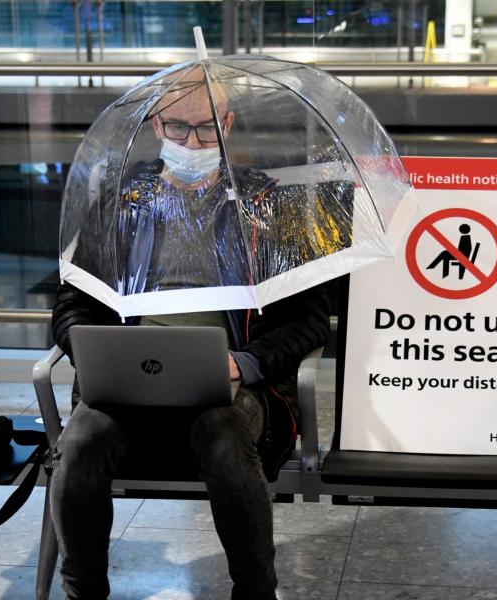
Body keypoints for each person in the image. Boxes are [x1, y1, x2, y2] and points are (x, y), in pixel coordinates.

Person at [50, 75, 330, 600]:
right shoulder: (120, 205)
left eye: (206, 129)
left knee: (222, 433)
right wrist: (94, 353)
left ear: (226, 126)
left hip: (232, 389)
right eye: (179, 127)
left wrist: (243, 363)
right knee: (81, 443)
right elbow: (72, 303)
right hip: (127, 388)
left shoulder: (264, 207)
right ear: (157, 125)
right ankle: (82, 592)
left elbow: (311, 319)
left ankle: (255, 593)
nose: (192, 142)